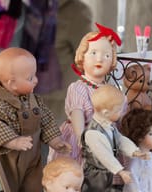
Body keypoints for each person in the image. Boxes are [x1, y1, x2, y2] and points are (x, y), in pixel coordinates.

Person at [0, 47, 69, 192]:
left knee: (33, 186)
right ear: (12, 83)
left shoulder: (32, 99)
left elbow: (45, 118)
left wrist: (55, 140)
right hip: (9, 158)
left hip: (32, 155)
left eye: (34, 75)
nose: (36, 80)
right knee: (9, 189)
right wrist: (12, 141)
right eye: (30, 78)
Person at [79, 85, 149, 192]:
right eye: (119, 109)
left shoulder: (109, 127)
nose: (122, 112)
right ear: (105, 112)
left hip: (104, 174)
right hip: (94, 175)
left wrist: (134, 151)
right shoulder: (93, 133)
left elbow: (121, 140)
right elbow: (104, 155)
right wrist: (120, 170)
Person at [47, 22, 120, 164]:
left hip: (105, 138)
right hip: (83, 137)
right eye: (93, 53)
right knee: (79, 173)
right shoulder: (78, 88)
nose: (99, 59)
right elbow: (77, 113)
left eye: (106, 55)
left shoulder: (110, 89)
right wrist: (82, 138)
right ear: (82, 56)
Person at [40, 0, 93, 126]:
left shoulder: (75, 11)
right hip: (27, 94)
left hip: (59, 99)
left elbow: (87, 56)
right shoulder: (31, 8)